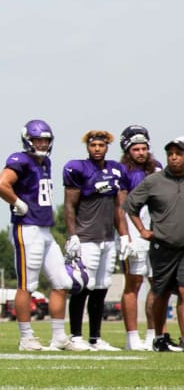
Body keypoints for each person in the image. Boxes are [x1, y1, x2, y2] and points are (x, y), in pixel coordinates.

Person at [0, 119, 82, 351]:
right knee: (27, 284)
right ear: (27, 140)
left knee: (62, 282)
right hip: (27, 228)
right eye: (37, 139)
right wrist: (17, 202)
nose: (42, 143)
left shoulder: (45, 162)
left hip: (44, 229)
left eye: (45, 140)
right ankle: (26, 338)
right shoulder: (20, 159)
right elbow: (1, 184)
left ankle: (59, 337)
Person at [62, 130, 130, 351]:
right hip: (86, 237)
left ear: (107, 147)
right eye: (93, 145)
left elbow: (120, 207)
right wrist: (72, 235)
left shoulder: (116, 170)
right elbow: (70, 205)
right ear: (87, 147)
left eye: (101, 145)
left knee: (101, 288)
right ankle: (75, 336)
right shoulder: (78, 168)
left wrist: (124, 235)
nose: (97, 149)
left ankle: (95, 338)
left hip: (107, 238)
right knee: (83, 286)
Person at [123, 135, 184, 352]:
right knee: (161, 292)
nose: (174, 157)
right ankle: (159, 337)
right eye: (171, 154)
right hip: (163, 246)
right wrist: (141, 230)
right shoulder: (154, 181)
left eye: (179, 153)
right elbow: (130, 206)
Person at [119, 125, 161, 350]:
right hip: (134, 235)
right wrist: (125, 235)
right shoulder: (123, 171)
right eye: (136, 148)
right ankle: (132, 338)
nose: (141, 152)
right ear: (128, 150)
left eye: (144, 148)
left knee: (157, 284)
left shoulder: (158, 169)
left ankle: (154, 336)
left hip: (156, 234)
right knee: (133, 284)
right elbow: (120, 205)